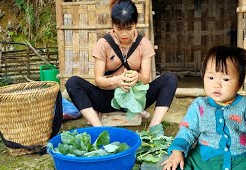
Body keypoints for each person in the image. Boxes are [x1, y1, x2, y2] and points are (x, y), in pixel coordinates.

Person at [161, 46, 246, 170]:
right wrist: (177, 151)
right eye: (210, 77)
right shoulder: (199, 105)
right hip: (205, 157)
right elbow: (188, 130)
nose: (217, 84)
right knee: (181, 162)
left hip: (240, 159)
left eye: (225, 79)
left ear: (240, 83)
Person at [65, 0, 177, 129]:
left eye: (129, 28)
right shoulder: (103, 44)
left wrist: (137, 77)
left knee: (170, 79)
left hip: (135, 99)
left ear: (135, 24)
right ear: (112, 25)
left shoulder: (144, 44)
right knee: (73, 83)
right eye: (119, 28)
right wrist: (116, 81)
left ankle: (154, 127)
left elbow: (146, 79)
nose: (124, 34)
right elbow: (98, 80)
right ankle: (98, 127)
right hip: (107, 100)